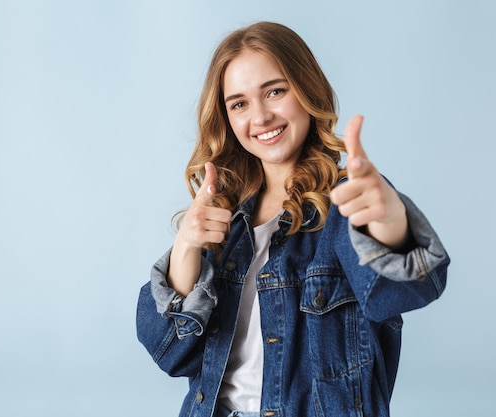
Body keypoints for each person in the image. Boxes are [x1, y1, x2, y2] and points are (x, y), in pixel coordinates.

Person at [136, 21, 450, 417]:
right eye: (239, 103)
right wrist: (186, 247)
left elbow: (401, 291)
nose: (261, 116)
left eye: (275, 91)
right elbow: (170, 354)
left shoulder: (346, 202)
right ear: (227, 118)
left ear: (306, 90)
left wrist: (390, 221)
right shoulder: (225, 219)